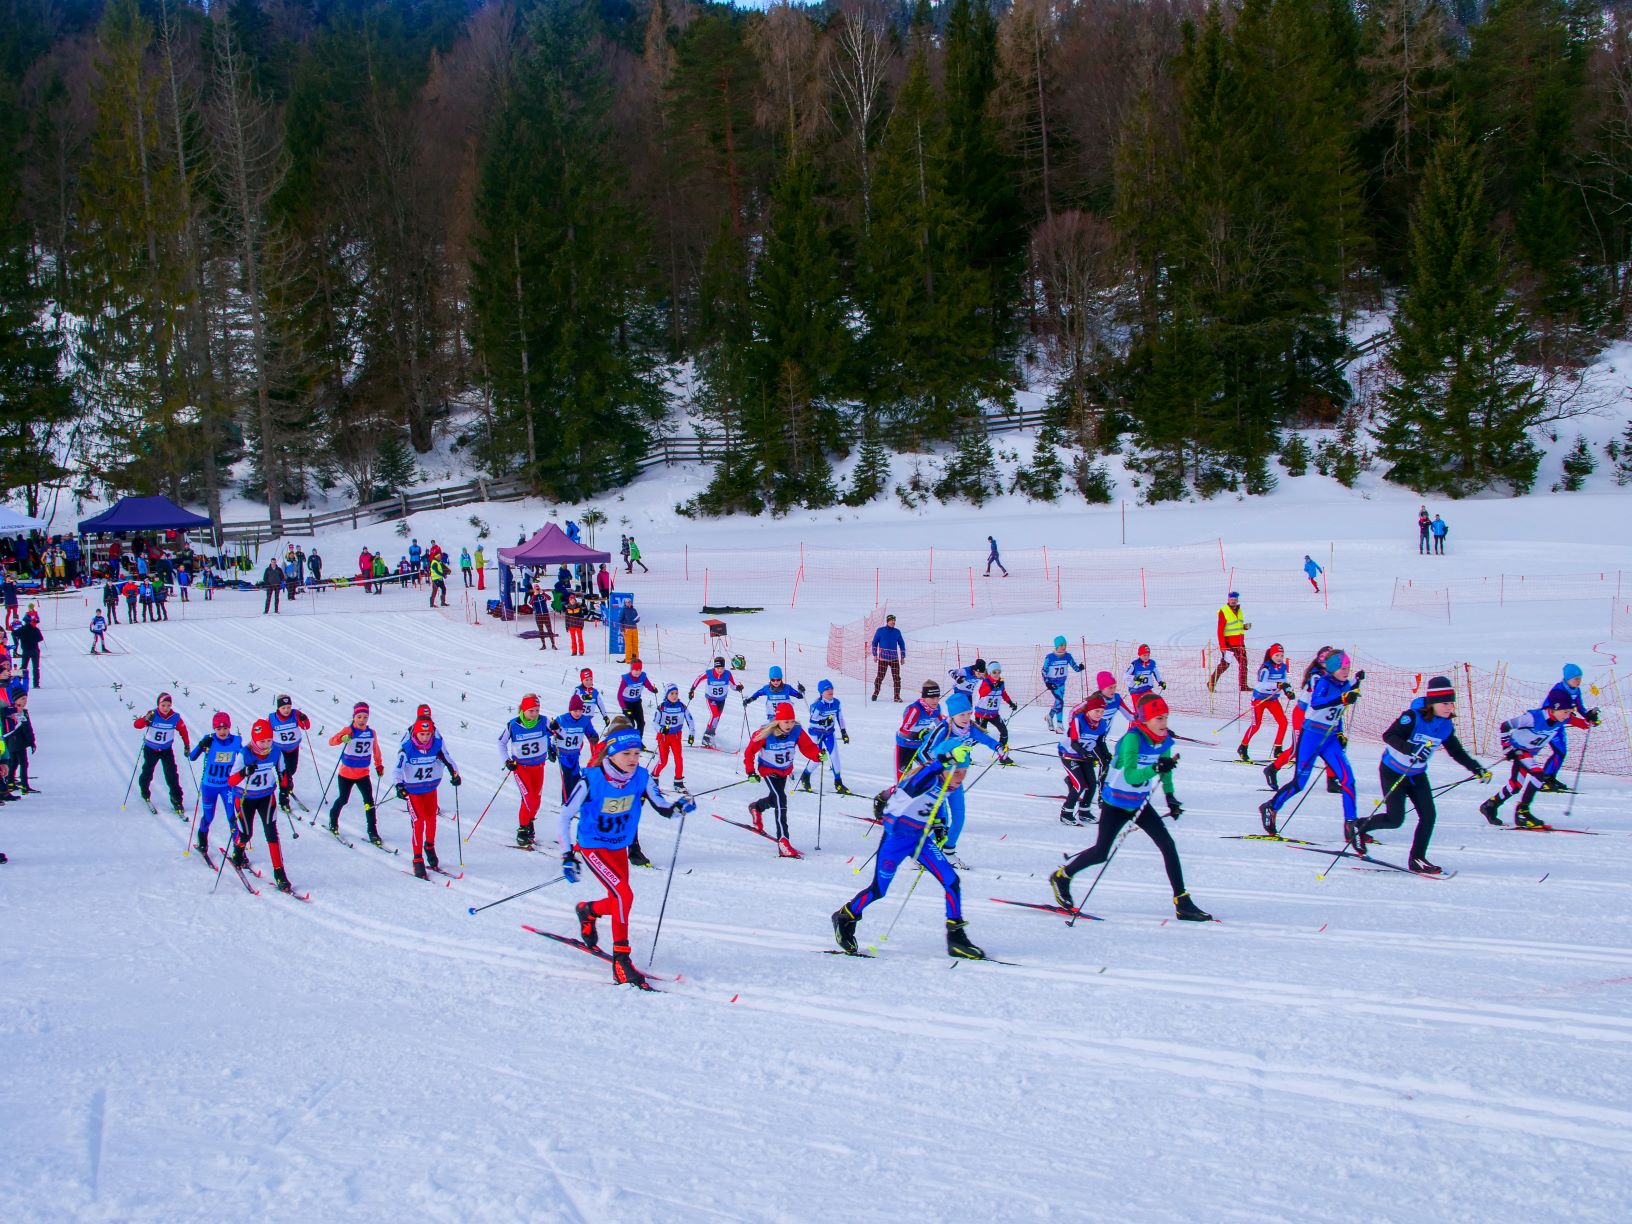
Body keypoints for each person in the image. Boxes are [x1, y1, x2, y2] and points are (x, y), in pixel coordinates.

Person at [1049, 694, 1211, 922]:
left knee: (1168, 844)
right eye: (1158, 719)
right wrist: (1156, 767)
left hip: (1138, 802)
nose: (1163, 723)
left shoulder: (1164, 740)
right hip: (1115, 803)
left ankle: (1182, 901)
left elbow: (1166, 770)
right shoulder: (1132, 740)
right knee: (1100, 853)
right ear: (1145, 720)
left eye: (1165, 717)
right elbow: (1131, 775)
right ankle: (1062, 876)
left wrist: (1171, 797)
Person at [560, 717, 694, 988]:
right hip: (593, 845)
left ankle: (588, 911)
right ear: (610, 752)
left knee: (622, 898)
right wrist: (567, 855)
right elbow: (564, 816)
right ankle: (621, 960)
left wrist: (679, 806)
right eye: (626, 753)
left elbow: (663, 807)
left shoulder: (642, 777)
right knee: (624, 894)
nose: (633, 759)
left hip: (618, 846)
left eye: (637, 753)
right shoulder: (592, 779)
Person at [832, 744, 987, 961]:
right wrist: (945, 759)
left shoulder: (947, 784)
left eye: (964, 772)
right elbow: (918, 783)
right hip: (895, 840)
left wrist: (940, 825)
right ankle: (845, 916)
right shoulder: (927, 777)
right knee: (879, 890)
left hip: (919, 839)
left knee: (952, 881)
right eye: (957, 770)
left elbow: (933, 806)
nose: (960, 776)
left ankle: (956, 938)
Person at [1353, 676, 1489, 874]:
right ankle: (1357, 826)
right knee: (1395, 819)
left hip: (1417, 775)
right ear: (1432, 702)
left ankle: (1417, 858)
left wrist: (1477, 768)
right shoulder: (1412, 717)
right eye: (1445, 703)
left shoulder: (1445, 726)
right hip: (1393, 771)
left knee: (1428, 815)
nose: (1450, 707)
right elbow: (1389, 736)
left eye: (1452, 703)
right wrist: (1411, 748)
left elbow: (1456, 752)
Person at [1259, 652, 1363, 841]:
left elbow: (1339, 712)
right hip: (1312, 736)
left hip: (1330, 739)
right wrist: (1343, 698)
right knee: (1300, 783)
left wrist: (1355, 685)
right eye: (1343, 668)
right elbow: (1316, 703)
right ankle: (1271, 807)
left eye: (1348, 668)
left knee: (1348, 780)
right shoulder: (1323, 682)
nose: (1346, 672)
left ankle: (1351, 824)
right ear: (1332, 668)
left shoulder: (1345, 685)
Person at [916, 692, 1007, 866]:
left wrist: (998, 748)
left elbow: (986, 739)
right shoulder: (943, 729)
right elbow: (923, 753)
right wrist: (941, 762)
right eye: (962, 715)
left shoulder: (970, 728)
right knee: (941, 821)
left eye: (968, 713)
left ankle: (948, 851)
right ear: (952, 715)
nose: (966, 718)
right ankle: (919, 852)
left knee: (959, 817)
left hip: (956, 781)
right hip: (939, 781)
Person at [1480, 694, 1588, 828]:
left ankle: (1490, 805)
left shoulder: (1563, 718)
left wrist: (1591, 719)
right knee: (1538, 774)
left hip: (1529, 753)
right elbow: (1505, 726)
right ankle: (1522, 812)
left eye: (1569, 712)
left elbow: (1584, 724)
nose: (1567, 715)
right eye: (1565, 712)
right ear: (1553, 709)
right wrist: (1507, 748)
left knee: (1515, 786)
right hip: (1519, 750)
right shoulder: (1532, 718)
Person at [227, 719, 299, 893]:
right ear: (254, 739)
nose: (266, 744)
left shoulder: (276, 752)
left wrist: (284, 791)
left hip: (266, 797)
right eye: (262, 741)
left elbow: (282, 772)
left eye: (268, 740)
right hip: (245, 798)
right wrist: (245, 772)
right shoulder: (245, 754)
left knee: (271, 833)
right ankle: (238, 851)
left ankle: (279, 873)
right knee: (246, 833)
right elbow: (231, 780)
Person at [743, 701, 823, 858]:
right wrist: (751, 772)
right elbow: (749, 752)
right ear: (778, 720)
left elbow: (807, 747)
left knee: (775, 800)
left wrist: (817, 755)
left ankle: (756, 807)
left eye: (792, 721)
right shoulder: (765, 734)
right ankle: (783, 841)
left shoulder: (796, 731)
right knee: (781, 798)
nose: (789, 725)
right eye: (786, 721)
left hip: (784, 771)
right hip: (767, 770)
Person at [394, 717, 461, 880]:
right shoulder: (407, 748)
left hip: (430, 789)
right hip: (413, 791)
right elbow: (397, 769)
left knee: (431, 819)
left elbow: (448, 760)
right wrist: (399, 785)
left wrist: (455, 774)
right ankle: (417, 858)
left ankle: (429, 847)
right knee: (419, 822)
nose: (425, 738)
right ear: (415, 734)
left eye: (428, 734)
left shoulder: (436, 746)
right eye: (422, 734)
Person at [1263, 646, 1337, 791]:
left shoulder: (1331, 675)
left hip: (1318, 715)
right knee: (1296, 750)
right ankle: (1272, 769)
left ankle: (1332, 780)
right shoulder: (1317, 675)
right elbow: (1319, 695)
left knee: (1328, 745)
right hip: (1303, 714)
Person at [499, 694, 552, 849]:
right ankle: (523, 829)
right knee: (528, 798)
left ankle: (529, 822)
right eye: (531, 711)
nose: (534, 714)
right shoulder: (513, 725)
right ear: (523, 710)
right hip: (521, 768)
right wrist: (507, 760)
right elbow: (501, 742)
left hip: (539, 767)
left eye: (537, 710)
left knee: (537, 801)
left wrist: (555, 736)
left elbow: (558, 733)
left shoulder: (544, 721)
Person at [327, 702, 385, 843]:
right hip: (346, 774)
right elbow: (331, 741)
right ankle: (333, 821)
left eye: (365, 717)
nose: (362, 720)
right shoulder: (349, 730)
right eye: (359, 717)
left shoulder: (371, 733)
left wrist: (379, 765)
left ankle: (372, 831)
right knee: (343, 799)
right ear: (354, 717)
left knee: (369, 802)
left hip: (363, 774)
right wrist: (342, 738)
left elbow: (375, 749)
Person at [189, 713, 245, 855]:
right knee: (208, 817)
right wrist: (202, 745)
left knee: (232, 817)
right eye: (218, 729)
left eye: (225, 728)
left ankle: (239, 850)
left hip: (227, 786)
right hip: (209, 786)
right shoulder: (209, 740)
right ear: (214, 729)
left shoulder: (236, 741)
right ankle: (202, 841)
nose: (222, 731)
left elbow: (245, 757)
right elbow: (192, 757)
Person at [1539, 663, 1601, 788]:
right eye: (1576, 679)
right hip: (1550, 725)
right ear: (1568, 679)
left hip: (1560, 724)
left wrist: (1589, 717)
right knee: (1559, 752)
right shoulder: (1559, 691)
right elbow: (1556, 712)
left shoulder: (1576, 690)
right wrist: (1578, 722)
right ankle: (1544, 779)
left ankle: (1551, 778)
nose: (1579, 681)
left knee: (1562, 752)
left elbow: (1580, 707)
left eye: (1580, 678)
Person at [134, 692, 191, 815]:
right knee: (148, 771)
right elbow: (137, 725)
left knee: (172, 775)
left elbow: (183, 730)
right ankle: (144, 790)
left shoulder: (175, 717)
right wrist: (145, 719)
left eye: (168, 705)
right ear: (158, 705)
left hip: (166, 750)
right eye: (163, 705)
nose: (166, 708)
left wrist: (187, 745)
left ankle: (177, 799)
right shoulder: (153, 714)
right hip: (151, 749)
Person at [1059, 694, 1110, 825]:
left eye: (1102, 711)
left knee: (1092, 784)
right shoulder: (1079, 720)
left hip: (1084, 756)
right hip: (1069, 754)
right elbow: (1074, 742)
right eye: (1097, 711)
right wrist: (1085, 753)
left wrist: (1105, 755)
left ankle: (1084, 811)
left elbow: (1099, 742)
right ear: (1088, 710)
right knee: (1080, 784)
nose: (1100, 714)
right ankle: (1066, 813)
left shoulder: (1102, 723)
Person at [1238, 644, 1294, 763]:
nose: (1279, 658)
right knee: (1256, 725)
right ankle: (1243, 747)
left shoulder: (1283, 667)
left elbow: (1284, 682)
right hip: (1259, 699)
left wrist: (1288, 691)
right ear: (1271, 655)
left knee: (1283, 722)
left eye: (1281, 655)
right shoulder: (1266, 668)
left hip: (1272, 699)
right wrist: (1277, 685)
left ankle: (1278, 749)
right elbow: (1261, 685)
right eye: (1277, 655)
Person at [799, 679, 851, 794]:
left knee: (834, 756)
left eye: (831, 688)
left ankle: (838, 783)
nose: (830, 691)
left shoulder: (836, 703)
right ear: (821, 692)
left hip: (829, 733)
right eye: (827, 689)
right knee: (818, 759)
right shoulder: (819, 705)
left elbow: (840, 717)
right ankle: (805, 776)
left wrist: (844, 732)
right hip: (816, 733)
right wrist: (823, 722)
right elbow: (812, 720)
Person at [550, 693, 601, 804]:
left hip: (575, 753)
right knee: (568, 777)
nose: (578, 713)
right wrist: (552, 750)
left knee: (575, 776)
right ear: (570, 710)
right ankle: (566, 802)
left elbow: (590, 732)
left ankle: (579, 799)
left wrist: (594, 737)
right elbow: (551, 734)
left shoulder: (585, 720)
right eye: (575, 711)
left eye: (580, 710)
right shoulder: (562, 719)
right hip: (563, 754)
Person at [266, 694, 312, 813]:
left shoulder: (295, 714)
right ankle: (284, 800)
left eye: (288, 707)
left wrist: (304, 718)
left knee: (291, 770)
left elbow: (306, 726)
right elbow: (266, 733)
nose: (286, 710)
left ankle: (288, 784)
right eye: (283, 708)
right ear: (278, 708)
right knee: (284, 775)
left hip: (293, 749)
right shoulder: (272, 718)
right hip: (279, 751)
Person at [688, 657, 743, 747]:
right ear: (714, 667)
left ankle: (711, 735)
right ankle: (706, 736)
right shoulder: (709, 673)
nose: (720, 670)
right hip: (711, 699)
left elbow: (733, 686)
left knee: (717, 718)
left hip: (721, 700)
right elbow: (698, 679)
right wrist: (692, 690)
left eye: (722, 668)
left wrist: (738, 688)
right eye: (718, 668)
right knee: (715, 715)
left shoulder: (727, 674)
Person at [651, 684, 694, 789]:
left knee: (679, 759)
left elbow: (690, 720)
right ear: (666, 695)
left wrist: (691, 734)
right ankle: (653, 777)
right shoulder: (662, 707)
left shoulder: (682, 706)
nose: (674, 696)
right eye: (672, 693)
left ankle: (678, 782)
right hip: (664, 737)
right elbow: (655, 723)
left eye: (676, 693)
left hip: (676, 737)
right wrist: (661, 729)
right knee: (663, 761)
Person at [1041, 636, 1085, 734]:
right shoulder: (1050, 657)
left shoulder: (1068, 656)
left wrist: (1080, 667)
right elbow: (1044, 671)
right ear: (1056, 646)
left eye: (1065, 645)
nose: (1064, 647)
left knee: (1058, 702)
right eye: (1061, 645)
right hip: (1053, 684)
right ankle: (1059, 725)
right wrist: (1047, 682)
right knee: (1060, 701)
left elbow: (1076, 668)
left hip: (1062, 683)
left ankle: (1050, 716)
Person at [973, 661, 1019, 753]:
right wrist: (992, 685)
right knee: (978, 736)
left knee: (1004, 732)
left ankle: (1001, 752)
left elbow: (1003, 693)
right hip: (982, 713)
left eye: (999, 672)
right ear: (989, 672)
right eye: (994, 672)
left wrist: (1010, 703)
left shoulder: (1001, 683)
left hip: (994, 714)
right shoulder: (985, 682)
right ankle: (965, 753)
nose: (997, 674)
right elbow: (982, 693)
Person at [1208, 592, 1250, 693]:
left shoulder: (1239, 611)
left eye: (1235, 599)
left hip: (1240, 643)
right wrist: (1222, 645)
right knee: (1225, 664)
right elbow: (1220, 630)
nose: (1233, 601)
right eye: (1232, 599)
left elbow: (1235, 626)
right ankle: (1211, 683)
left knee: (1244, 663)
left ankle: (1243, 686)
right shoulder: (1224, 611)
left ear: (1237, 600)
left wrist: (1244, 627)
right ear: (1228, 600)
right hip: (1229, 644)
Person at [869, 613, 907, 701]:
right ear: (888, 621)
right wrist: (875, 655)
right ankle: (876, 692)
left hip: (894, 658)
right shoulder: (880, 630)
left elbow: (902, 644)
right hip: (883, 658)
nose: (893, 622)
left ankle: (896, 696)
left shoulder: (897, 632)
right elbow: (874, 642)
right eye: (892, 620)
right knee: (880, 676)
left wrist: (902, 657)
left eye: (894, 620)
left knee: (897, 678)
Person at [4, 689, 34, 795]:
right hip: (16, 742)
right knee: (22, 763)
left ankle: (11, 782)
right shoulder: (15, 711)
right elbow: (25, 728)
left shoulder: (21, 711)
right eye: (22, 699)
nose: (25, 701)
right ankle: (24, 785)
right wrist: (31, 742)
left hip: (15, 742)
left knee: (14, 763)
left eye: (26, 699)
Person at [616, 659, 659, 734]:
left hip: (637, 703)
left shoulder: (643, 676)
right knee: (631, 724)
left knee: (641, 723)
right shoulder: (626, 679)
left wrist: (653, 689)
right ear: (631, 669)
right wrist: (624, 707)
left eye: (639, 670)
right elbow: (619, 695)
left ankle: (639, 741)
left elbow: (648, 685)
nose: (638, 672)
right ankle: (629, 741)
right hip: (627, 704)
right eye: (635, 670)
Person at [12, 616, 41, 686]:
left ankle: (16, 679)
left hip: (27, 650)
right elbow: (40, 638)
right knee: (35, 668)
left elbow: (13, 633)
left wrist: (21, 637)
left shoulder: (23, 629)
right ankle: (36, 684)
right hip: (34, 650)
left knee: (24, 667)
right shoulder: (36, 629)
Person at [563, 592, 588, 656]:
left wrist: (582, 625)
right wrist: (567, 626)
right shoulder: (567, 609)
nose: (572, 601)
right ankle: (574, 651)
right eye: (571, 600)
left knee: (580, 639)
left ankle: (581, 651)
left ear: (575, 600)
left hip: (578, 626)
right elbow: (567, 618)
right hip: (571, 626)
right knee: (573, 639)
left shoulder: (579, 608)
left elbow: (581, 617)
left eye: (573, 600)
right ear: (569, 601)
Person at [618, 598, 641, 663]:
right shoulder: (623, 610)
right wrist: (622, 629)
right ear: (625, 603)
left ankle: (635, 658)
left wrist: (638, 619)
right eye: (627, 602)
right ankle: (628, 659)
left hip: (634, 628)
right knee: (628, 644)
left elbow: (636, 620)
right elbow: (620, 620)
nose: (628, 603)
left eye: (629, 602)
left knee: (635, 644)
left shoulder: (634, 610)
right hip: (627, 629)